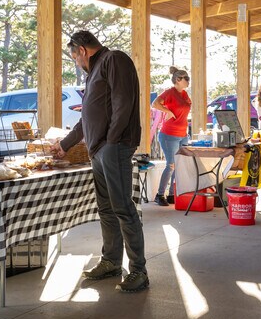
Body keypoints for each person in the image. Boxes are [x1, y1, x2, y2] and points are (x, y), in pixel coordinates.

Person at [50, 31, 148, 293]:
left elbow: (123, 102)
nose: (76, 63)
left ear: (82, 49)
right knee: (106, 210)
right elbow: (86, 119)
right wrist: (64, 145)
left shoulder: (113, 59)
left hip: (112, 148)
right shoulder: (94, 72)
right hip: (99, 151)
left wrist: (111, 141)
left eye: (74, 56)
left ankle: (139, 270)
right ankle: (111, 262)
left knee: (123, 208)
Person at [151, 66, 191, 206]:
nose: (188, 80)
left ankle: (172, 194)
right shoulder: (170, 93)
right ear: (178, 80)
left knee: (179, 165)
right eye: (186, 78)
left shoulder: (184, 94)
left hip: (182, 135)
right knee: (171, 165)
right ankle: (159, 195)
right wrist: (167, 110)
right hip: (169, 135)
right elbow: (154, 104)